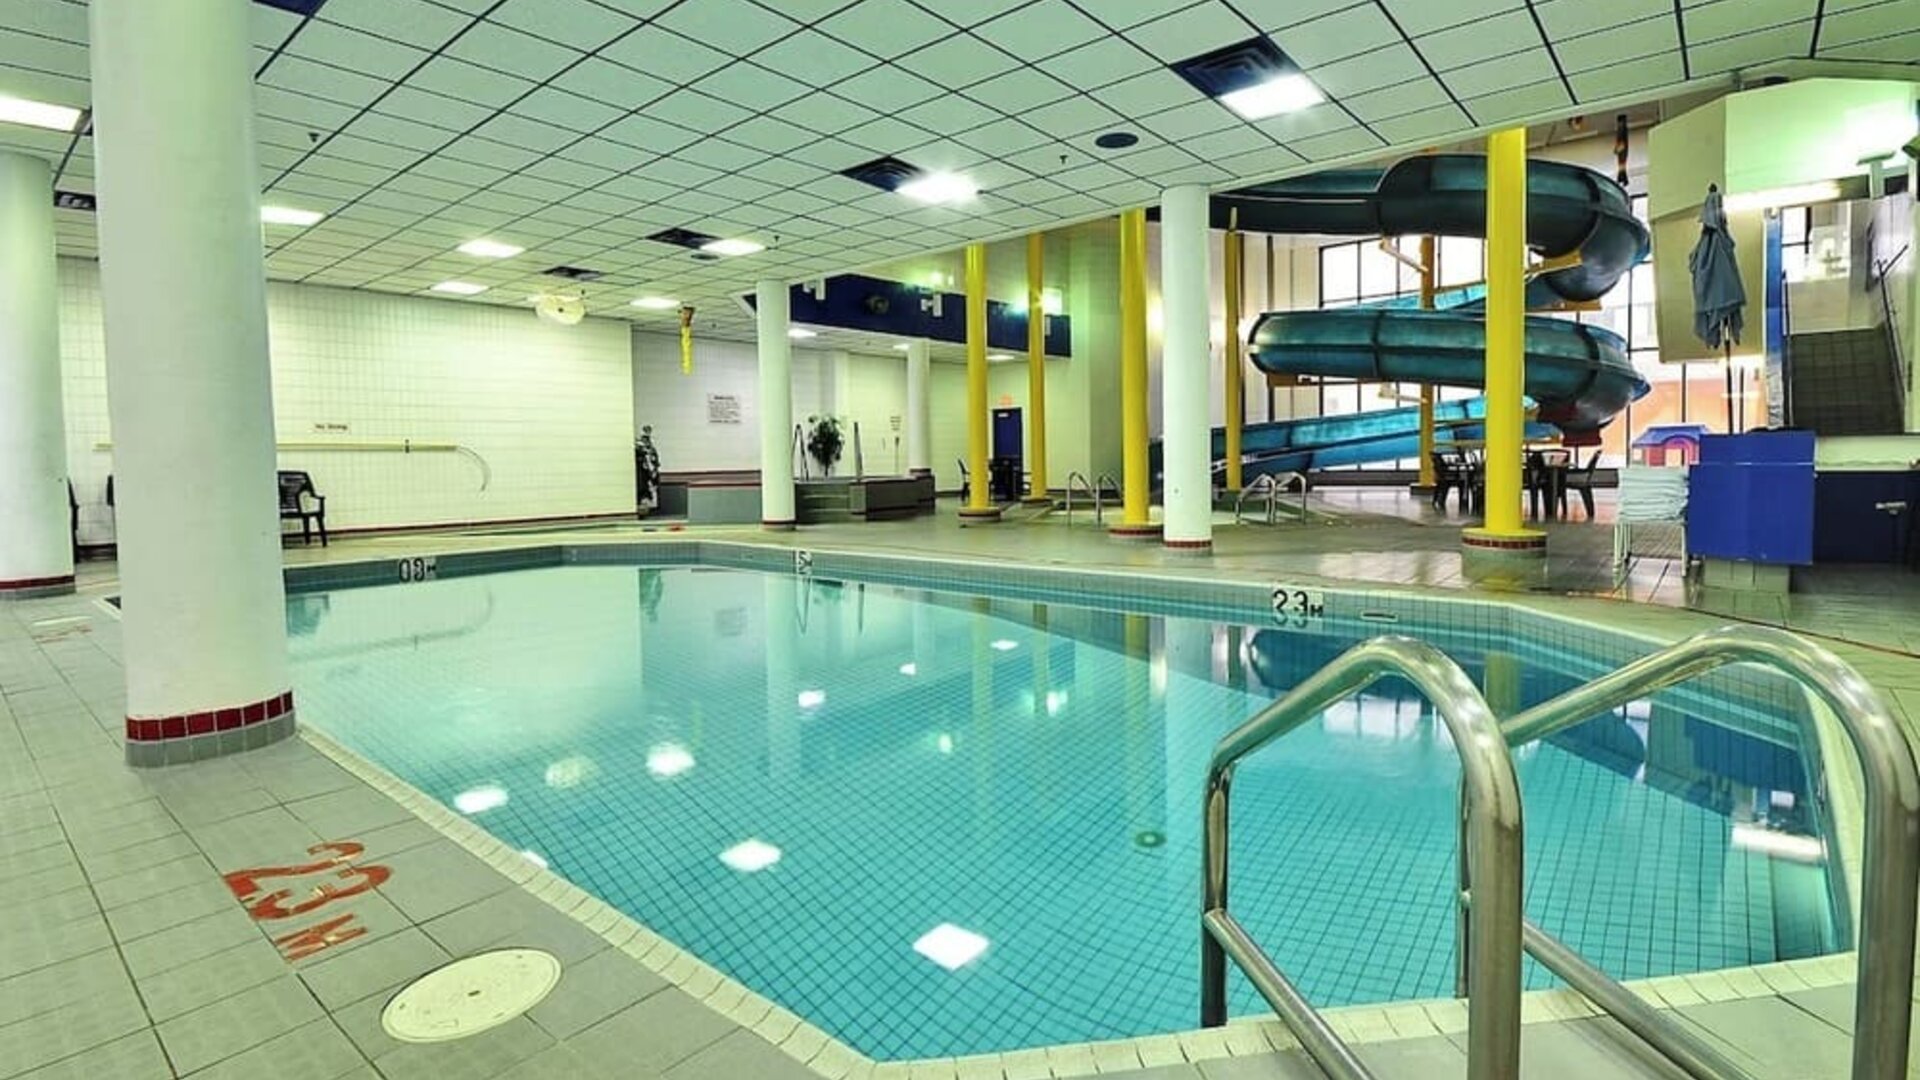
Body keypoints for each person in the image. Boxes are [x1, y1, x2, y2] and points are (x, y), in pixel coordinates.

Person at [636, 426, 661, 516]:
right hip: (643, 474)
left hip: (651, 472)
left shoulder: (652, 449)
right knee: (644, 491)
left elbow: (654, 460)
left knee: (652, 490)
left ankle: (650, 508)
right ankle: (643, 509)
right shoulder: (640, 449)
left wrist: (654, 469)